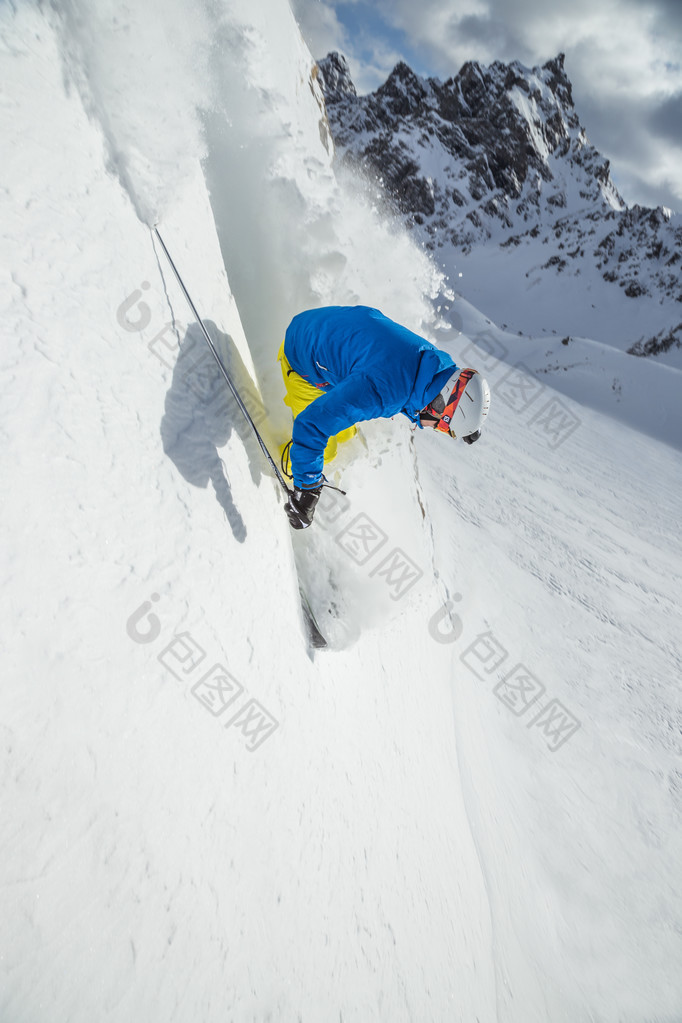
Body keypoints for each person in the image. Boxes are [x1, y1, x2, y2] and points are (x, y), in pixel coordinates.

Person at [278, 305, 490, 529]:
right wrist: (307, 493)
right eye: (444, 428)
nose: (436, 429)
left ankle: (304, 459)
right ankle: (285, 468)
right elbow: (311, 425)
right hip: (301, 355)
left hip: (323, 327)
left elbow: (456, 396)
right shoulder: (384, 391)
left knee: (346, 434)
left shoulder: (431, 365)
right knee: (326, 450)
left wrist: (467, 424)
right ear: (438, 406)